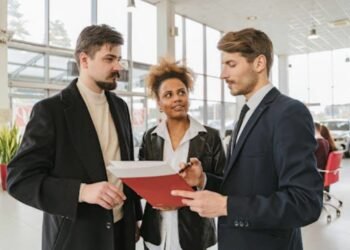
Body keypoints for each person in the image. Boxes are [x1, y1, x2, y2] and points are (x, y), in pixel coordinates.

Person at [172, 28, 323, 250]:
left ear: (259, 63)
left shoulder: (288, 113)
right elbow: (245, 185)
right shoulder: (246, 112)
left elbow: (305, 203)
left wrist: (227, 207)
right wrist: (203, 179)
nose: (223, 74)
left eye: (231, 64)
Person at [7, 24, 142, 250]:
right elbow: (19, 180)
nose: (118, 66)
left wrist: (133, 219)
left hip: (121, 232)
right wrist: (82, 191)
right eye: (109, 59)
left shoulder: (120, 107)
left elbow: (125, 167)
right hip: (77, 237)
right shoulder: (51, 111)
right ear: (84, 60)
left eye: (119, 59)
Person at [138, 58, 226, 250]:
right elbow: (142, 182)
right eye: (168, 95)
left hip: (195, 236)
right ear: (159, 103)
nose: (177, 98)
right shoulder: (150, 137)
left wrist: (201, 179)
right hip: (155, 236)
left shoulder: (210, 137)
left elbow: (225, 185)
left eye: (181, 92)